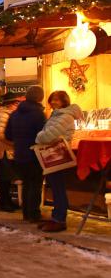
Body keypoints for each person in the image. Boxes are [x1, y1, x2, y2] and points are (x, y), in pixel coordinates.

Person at [35, 90, 83, 233]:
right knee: (55, 187)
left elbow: (48, 135)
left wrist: (38, 137)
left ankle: (60, 220)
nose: (54, 102)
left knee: (58, 187)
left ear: (64, 101)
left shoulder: (65, 116)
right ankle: (56, 216)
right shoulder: (58, 114)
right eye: (52, 99)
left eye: (57, 99)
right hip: (53, 155)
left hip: (58, 155)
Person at [5, 85, 47, 223]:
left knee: (26, 184)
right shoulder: (39, 114)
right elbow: (43, 136)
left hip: (19, 154)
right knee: (35, 184)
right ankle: (34, 214)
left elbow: (8, 135)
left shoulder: (15, 114)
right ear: (40, 98)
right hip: (34, 154)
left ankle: (26, 214)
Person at [0, 92, 22, 211]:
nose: (18, 106)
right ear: (11, 104)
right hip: (4, 151)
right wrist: (14, 143)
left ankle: (7, 201)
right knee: (5, 178)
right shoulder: (3, 114)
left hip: (8, 150)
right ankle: (4, 203)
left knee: (8, 177)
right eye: (17, 103)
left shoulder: (10, 114)